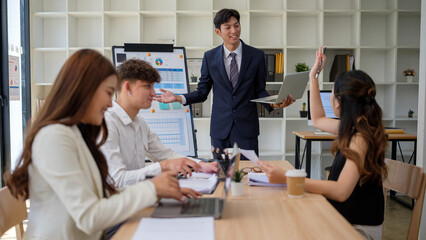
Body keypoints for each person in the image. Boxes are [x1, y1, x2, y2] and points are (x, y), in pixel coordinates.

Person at [6, 49, 196, 240]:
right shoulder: (54, 137)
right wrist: (152, 188)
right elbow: (89, 217)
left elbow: (104, 194)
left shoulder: (78, 133)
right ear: (84, 91)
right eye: (107, 92)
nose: (110, 102)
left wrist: (159, 191)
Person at [258, 46, 388, 240]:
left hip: (356, 230)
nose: (330, 96)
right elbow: (317, 119)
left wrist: (287, 178)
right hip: (344, 219)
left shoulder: (360, 139)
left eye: (332, 92)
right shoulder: (354, 128)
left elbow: (341, 191)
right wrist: (313, 77)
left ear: (338, 102)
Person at [157, 8, 295, 156]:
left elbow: (259, 90)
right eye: (227, 27)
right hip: (220, 130)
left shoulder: (257, 56)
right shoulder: (210, 57)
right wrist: (178, 98)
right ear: (218, 32)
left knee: (248, 174)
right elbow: (202, 92)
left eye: (236, 25)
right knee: (221, 175)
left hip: (247, 129)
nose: (234, 31)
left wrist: (275, 103)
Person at [100, 59, 217, 188]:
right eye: (147, 86)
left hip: (138, 198)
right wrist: (164, 166)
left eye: (153, 86)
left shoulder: (139, 123)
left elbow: (166, 155)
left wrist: (202, 165)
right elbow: (116, 180)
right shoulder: (107, 122)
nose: (154, 94)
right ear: (128, 87)